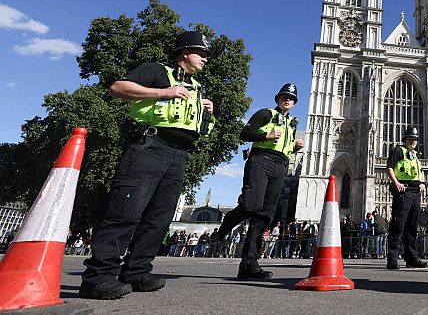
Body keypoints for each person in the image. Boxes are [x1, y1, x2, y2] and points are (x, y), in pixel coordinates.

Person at [80, 31, 215, 300]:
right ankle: (98, 277)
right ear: (184, 52)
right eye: (201, 53)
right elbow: (118, 88)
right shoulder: (157, 71)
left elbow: (199, 127)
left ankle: (137, 270)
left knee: (159, 217)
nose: (205, 59)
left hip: (179, 154)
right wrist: (164, 92)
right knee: (125, 210)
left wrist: (205, 112)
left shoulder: (196, 87)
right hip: (149, 145)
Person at [217, 83, 304, 279]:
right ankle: (226, 225)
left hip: (280, 166)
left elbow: (285, 149)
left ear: (294, 102)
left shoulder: (291, 124)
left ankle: (249, 264)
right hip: (260, 160)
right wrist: (266, 134)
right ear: (278, 99)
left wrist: (296, 147)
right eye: (284, 96)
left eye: (291, 98)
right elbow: (244, 134)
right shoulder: (266, 114)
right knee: (251, 205)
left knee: (265, 214)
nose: (287, 99)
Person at [385, 126, 428, 269]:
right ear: (405, 140)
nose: (413, 141)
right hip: (404, 191)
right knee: (398, 225)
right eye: (411, 139)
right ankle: (392, 259)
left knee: (412, 227)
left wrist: (422, 183)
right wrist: (396, 183)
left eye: (415, 139)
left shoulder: (415, 155)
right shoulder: (398, 151)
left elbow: (419, 172)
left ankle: (412, 259)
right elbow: (390, 167)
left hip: (416, 192)